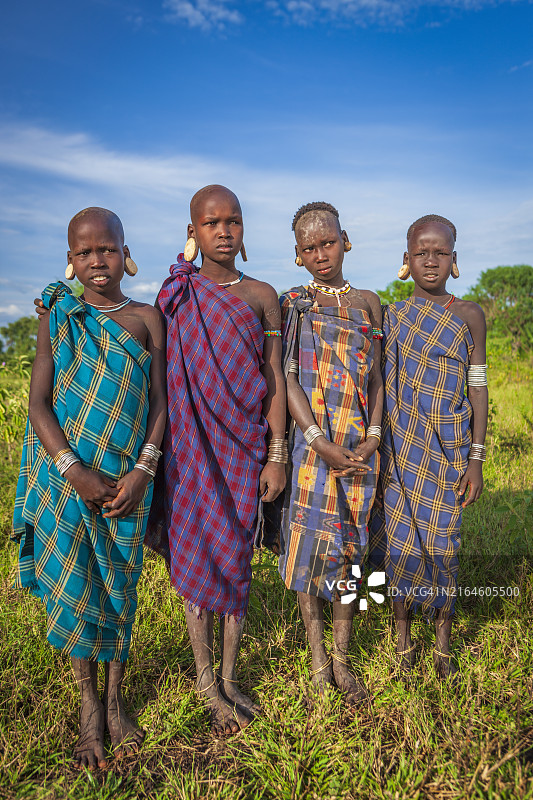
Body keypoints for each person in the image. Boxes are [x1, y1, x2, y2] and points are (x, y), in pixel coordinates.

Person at [15, 207, 167, 769]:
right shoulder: (57, 316)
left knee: (120, 590)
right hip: (70, 481)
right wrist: (72, 470)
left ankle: (118, 704)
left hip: (128, 481)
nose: (97, 262)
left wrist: (144, 469)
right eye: (84, 253)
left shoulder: (147, 319)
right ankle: (88, 707)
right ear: (71, 259)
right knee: (80, 588)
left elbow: (160, 404)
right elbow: (37, 403)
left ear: (124, 251)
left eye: (107, 250)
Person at [145, 185, 286, 735]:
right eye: (211, 223)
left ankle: (228, 676)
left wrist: (275, 454)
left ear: (244, 229)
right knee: (198, 554)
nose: (223, 231)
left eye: (233, 221)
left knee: (236, 557)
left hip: (243, 445)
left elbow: (273, 375)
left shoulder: (260, 294)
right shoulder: (176, 295)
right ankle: (204, 678)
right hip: (189, 450)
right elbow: (155, 367)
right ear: (193, 232)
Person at [269, 201, 383, 703]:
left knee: (353, 548)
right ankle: (316, 660)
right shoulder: (291, 302)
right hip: (313, 447)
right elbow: (286, 376)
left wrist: (374, 435)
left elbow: (377, 375)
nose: (321, 254)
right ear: (297, 254)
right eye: (309, 247)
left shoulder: (369, 304)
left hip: (359, 446)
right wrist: (318, 440)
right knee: (309, 548)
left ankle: (342, 656)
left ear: (346, 241)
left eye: (328, 243)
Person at [370, 214, 488, 679]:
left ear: (454, 260)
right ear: (406, 260)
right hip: (400, 452)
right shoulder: (393, 315)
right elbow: (380, 381)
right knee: (400, 542)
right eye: (422, 253)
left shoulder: (469, 315)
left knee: (443, 544)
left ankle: (441, 643)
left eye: (441, 253)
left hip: (449, 452)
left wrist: (476, 459)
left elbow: (477, 387)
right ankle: (401, 642)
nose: (431, 261)